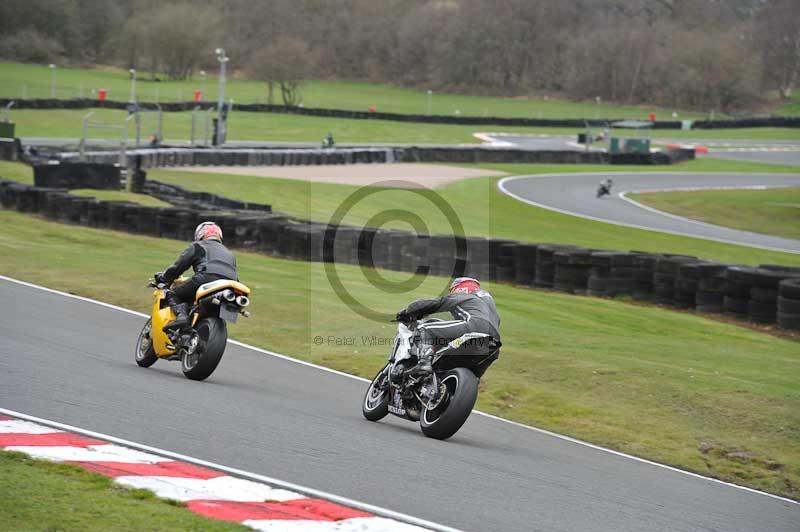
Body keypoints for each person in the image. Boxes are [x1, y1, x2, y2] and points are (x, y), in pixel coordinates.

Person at [395, 277, 501, 375]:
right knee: (470, 378)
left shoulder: (466, 296)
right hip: (493, 346)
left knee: (425, 329)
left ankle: (424, 363)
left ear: (462, 288)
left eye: (453, 290)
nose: (452, 293)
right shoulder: (489, 308)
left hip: (474, 328)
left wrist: (408, 311)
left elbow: (437, 303)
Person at [155, 221, 238, 332]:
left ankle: (182, 317)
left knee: (173, 293)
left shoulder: (198, 246)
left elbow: (179, 266)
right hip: (231, 286)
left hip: (207, 278)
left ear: (200, 234)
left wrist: (165, 277)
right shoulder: (230, 254)